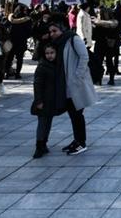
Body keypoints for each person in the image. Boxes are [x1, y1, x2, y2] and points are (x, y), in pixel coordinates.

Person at [48, 19, 97, 155]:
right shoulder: (58, 43)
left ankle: (81, 142)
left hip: (75, 84)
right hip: (66, 84)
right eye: (50, 31)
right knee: (73, 114)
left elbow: (84, 56)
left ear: (62, 30)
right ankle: (77, 140)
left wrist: (77, 76)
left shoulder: (72, 39)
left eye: (54, 31)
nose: (52, 34)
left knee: (77, 114)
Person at [31, 43, 64, 158]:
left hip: (52, 100)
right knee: (42, 123)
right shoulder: (42, 67)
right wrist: (38, 100)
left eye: (52, 53)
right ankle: (39, 145)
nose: (49, 55)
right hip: (44, 100)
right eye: (47, 53)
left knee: (48, 122)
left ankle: (44, 143)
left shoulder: (57, 65)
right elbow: (37, 84)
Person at [5, 5, 32, 79]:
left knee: (9, 57)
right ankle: (17, 73)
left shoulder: (11, 18)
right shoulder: (27, 19)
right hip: (21, 41)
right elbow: (29, 32)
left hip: (11, 40)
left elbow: (5, 26)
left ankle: (7, 72)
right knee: (19, 58)